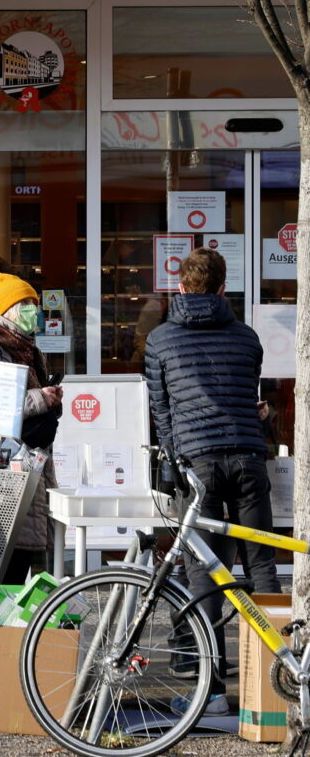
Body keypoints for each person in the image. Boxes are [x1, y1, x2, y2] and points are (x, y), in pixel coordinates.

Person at [146, 247, 274, 681]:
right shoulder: (247, 337)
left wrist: (170, 463)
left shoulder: (161, 339)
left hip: (197, 462)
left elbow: (161, 412)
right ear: (222, 289)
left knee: (202, 569)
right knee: (260, 564)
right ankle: (272, 678)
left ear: (180, 287)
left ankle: (211, 679)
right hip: (247, 457)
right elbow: (247, 396)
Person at [0, 272, 63, 584]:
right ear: (8, 309)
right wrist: (39, 399)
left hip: (23, 467)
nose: (35, 310)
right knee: (5, 571)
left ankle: (10, 618)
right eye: (27, 303)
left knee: (18, 567)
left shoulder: (23, 347)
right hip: (1, 473)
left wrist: (48, 398)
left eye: (35, 303)